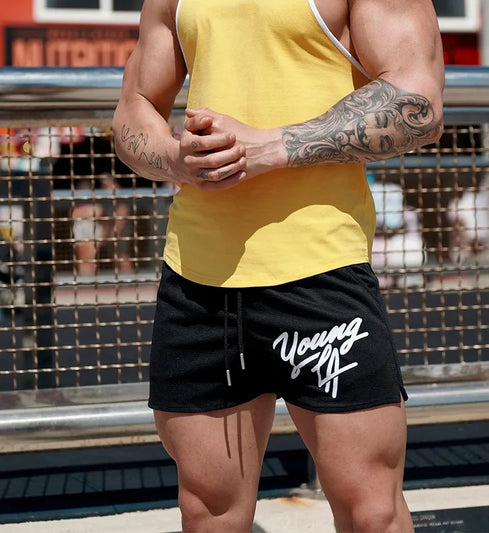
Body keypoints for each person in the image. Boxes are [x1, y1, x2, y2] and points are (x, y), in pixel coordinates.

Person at [113, 0, 444, 531]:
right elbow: (135, 106)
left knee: (371, 512)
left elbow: (419, 103)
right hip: (199, 279)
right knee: (209, 512)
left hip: (323, 272)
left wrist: (270, 146)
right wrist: (177, 161)